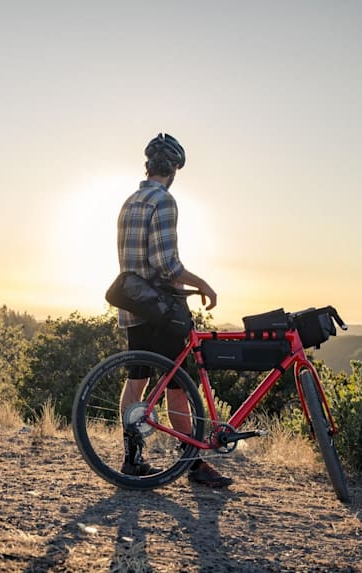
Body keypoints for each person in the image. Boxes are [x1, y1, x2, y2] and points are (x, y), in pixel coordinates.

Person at [115, 133, 233, 487]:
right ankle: (193, 464)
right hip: (162, 309)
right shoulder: (164, 202)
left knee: (137, 380)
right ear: (175, 170)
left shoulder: (129, 201)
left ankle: (132, 460)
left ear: (147, 165)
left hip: (133, 304)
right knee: (179, 386)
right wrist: (203, 285)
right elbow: (167, 265)